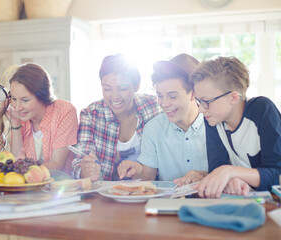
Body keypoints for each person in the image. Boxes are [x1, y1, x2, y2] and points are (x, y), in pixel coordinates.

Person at [191, 56, 281, 198]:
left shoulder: (263, 109)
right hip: (246, 198)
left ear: (233, 98)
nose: (201, 109)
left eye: (206, 101)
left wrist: (231, 172)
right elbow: (217, 168)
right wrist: (232, 178)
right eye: (199, 102)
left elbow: (277, 174)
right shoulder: (213, 118)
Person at [117, 53, 208, 185]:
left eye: (172, 96)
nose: (164, 104)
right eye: (160, 95)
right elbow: (147, 178)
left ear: (194, 93)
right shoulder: (154, 129)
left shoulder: (215, 124)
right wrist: (136, 170)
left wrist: (207, 176)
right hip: (168, 203)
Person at [71, 54, 161, 181]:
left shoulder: (153, 107)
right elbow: (79, 160)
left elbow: (165, 157)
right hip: (107, 194)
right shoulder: (91, 114)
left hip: (149, 190)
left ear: (136, 86)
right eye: (107, 89)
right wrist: (84, 171)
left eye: (122, 88)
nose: (114, 97)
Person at [7, 63, 78, 172]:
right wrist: (15, 124)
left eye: (25, 100)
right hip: (30, 187)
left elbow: (57, 165)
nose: (17, 107)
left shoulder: (64, 111)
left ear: (42, 96)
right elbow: (16, 162)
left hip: (59, 186)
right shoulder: (21, 117)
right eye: (14, 99)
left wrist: (23, 167)